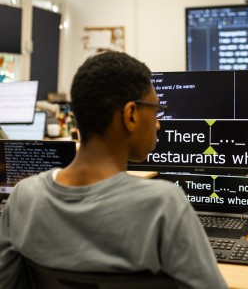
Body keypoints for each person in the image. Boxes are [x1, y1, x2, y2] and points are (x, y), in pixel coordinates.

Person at [0, 51, 228, 289]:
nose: (158, 123)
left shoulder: (23, 198)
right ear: (130, 115)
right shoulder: (164, 205)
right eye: (156, 109)